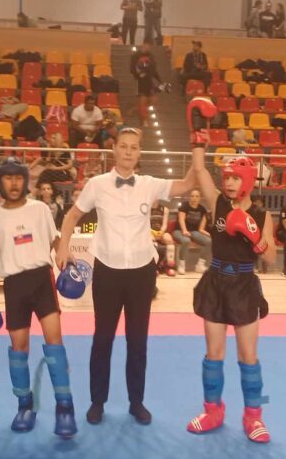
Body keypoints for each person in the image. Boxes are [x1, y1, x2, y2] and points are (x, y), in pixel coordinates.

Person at [55, 128, 196, 426]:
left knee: (137, 340)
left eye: (134, 147)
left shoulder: (150, 184)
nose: (129, 152)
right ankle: (97, 402)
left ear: (139, 152)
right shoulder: (96, 184)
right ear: (114, 149)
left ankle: (136, 402)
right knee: (102, 339)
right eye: (123, 146)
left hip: (142, 273)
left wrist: (198, 149)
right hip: (107, 271)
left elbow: (187, 184)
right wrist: (63, 247)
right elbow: (72, 216)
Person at [185, 142, 275, 443]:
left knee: (248, 356)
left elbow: (271, 257)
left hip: (244, 285)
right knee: (214, 353)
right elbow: (199, 169)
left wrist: (254, 237)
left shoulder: (262, 215)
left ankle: (254, 417)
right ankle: (212, 411)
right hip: (216, 281)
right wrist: (199, 140)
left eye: (235, 178)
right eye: (227, 178)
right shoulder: (217, 203)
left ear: (247, 180)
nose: (230, 183)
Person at [0, 158, 76, 437]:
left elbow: (55, 240)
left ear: (25, 180)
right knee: (18, 348)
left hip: (42, 280)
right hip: (14, 285)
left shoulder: (39, 209)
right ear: (0, 182)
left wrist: (69, 263)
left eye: (18, 177)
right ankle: (25, 405)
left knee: (55, 342)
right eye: (7, 178)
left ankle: (65, 407)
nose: (13, 183)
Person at [174, 188, 211, 274]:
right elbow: (181, 219)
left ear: (200, 198)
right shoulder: (184, 206)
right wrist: (184, 230)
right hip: (179, 230)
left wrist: (208, 234)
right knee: (186, 240)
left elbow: (201, 227)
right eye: (192, 196)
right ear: (190, 197)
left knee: (209, 241)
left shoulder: (202, 209)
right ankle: (181, 265)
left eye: (197, 196)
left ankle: (200, 265)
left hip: (194, 232)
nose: (194, 198)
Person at [130, 39, 163, 127]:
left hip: (150, 81)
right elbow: (132, 68)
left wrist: (160, 80)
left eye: (149, 46)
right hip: (140, 82)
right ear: (143, 44)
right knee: (142, 101)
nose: (148, 47)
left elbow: (153, 69)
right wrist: (138, 75)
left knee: (152, 101)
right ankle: (143, 120)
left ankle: (146, 117)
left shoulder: (151, 56)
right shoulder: (136, 55)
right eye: (147, 45)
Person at [151, 199, 177, 277]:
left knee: (169, 239)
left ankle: (169, 267)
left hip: (160, 231)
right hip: (149, 232)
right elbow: (145, 223)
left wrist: (161, 232)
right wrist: (152, 232)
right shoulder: (146, 208)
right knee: (151, 239)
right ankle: (154, 267)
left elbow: (164, 224)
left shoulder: (165, 209)